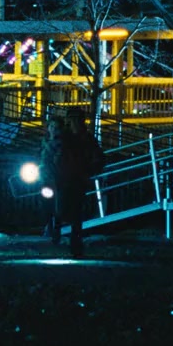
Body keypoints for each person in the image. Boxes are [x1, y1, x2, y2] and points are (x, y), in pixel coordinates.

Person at [52, 108, 103, 258]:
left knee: (74, 212)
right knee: (67, 210)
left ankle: (73, 243)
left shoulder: (81, 138)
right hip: (68, 178)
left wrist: (89, 170)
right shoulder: (73, 137)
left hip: (74, 179)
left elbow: (98, 158)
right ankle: (65, 237)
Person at [39, 117, 65, 242]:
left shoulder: (60, 144)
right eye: (52, 126)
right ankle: (49, 227)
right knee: (47, 204)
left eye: (56, 127)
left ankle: (56, 229)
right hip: (46, 177)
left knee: (57, 205)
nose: (53, 129)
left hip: (57, 178)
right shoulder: (44, 141)